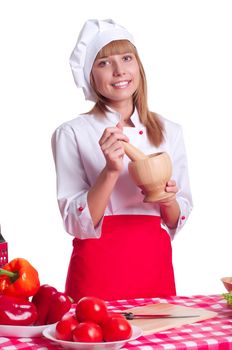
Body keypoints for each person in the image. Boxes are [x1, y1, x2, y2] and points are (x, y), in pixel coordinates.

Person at [51, 19, 193, 302]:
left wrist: (166, 198)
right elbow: (74, 223)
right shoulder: (71, 133)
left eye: (127, 58)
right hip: (98, 270)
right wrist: (111, 171)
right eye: (104, 62)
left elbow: (178, 216)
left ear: (138, 66)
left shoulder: (169, 131)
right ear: (90, 75)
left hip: (154, 265)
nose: (119, 71)